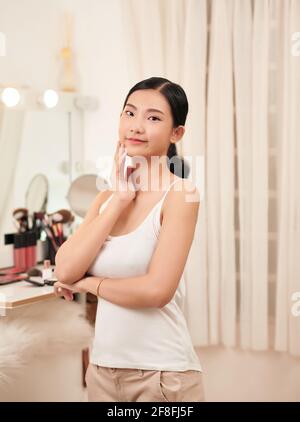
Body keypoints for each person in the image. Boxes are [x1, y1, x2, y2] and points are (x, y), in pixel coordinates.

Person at [54, 76, 205, 402]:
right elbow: (64, 271)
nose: (136, 126)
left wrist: (89, 283)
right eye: (129, 113)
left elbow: (156, 291)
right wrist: (120, 198)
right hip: (102, 372)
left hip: (162, 375)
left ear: (176, 133)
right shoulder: (106, 198)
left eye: (153, 118)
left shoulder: (181, 194)